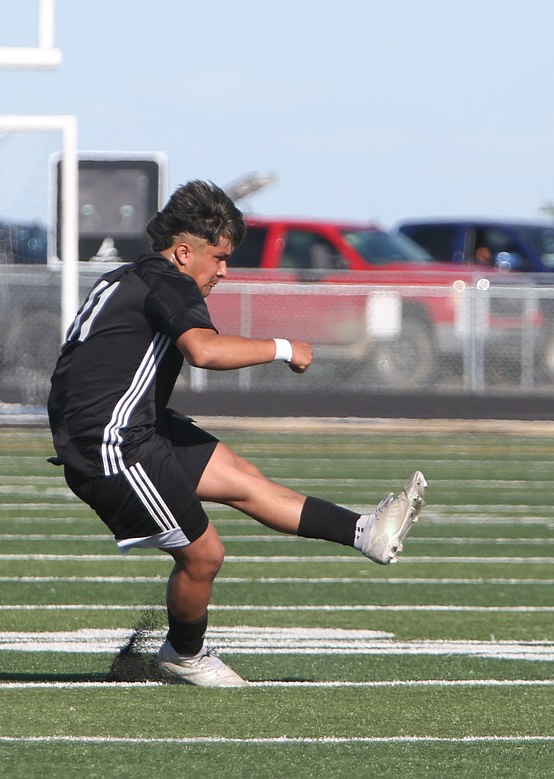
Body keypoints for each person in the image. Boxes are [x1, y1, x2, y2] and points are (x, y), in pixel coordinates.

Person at [47, 180, 426, 687]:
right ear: (184, 251)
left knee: (242, 478)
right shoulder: (168, 282)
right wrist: (285, 347)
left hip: (132, 425)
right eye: (219, 257)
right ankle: (185, 655)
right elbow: (205, 351)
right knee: (204, 554)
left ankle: (364, 532)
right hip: (112, 444)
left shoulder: (130, 277)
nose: (224, 271)